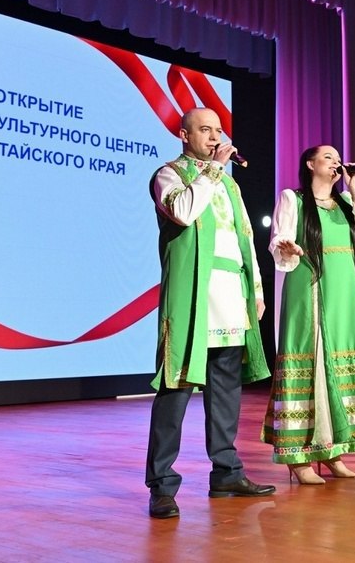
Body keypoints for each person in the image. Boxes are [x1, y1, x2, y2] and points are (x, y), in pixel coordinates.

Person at [145, 107, 275, 520]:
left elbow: (244, 239)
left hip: (230, 294)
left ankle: (227, 473)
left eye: (219, 130)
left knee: (226, 390)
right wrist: (214, 171)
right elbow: (183, 212)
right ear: (184, 135)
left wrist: (256, 289)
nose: (216, 137)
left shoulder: (229, 185)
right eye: (206, 130)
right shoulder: (169, 175)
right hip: (193, 297)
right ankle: (162, 485)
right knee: (177, 389)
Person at [262, 145, 355, 484]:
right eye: (328, 158)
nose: (336, 162)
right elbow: (279, 239)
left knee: (337, 361)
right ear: (310, 164)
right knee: (313, 361)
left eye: (337, 159)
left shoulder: (346, 202)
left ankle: (333, 450)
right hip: (310, 288)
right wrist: (288, 247)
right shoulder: (293, 199)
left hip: (343, 293)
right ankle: (299, 455)